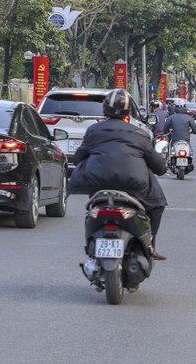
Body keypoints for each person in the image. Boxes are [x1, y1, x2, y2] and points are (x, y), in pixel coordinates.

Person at [68, 88, 168, 260]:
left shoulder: (94, 130)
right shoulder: (140, 133)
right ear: (128, 112)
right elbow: (158, 166)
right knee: (158, 204)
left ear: (105, 109)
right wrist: (162, 167)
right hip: (133, 186)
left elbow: (78, 157)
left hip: (98, 185)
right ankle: (150, 244)